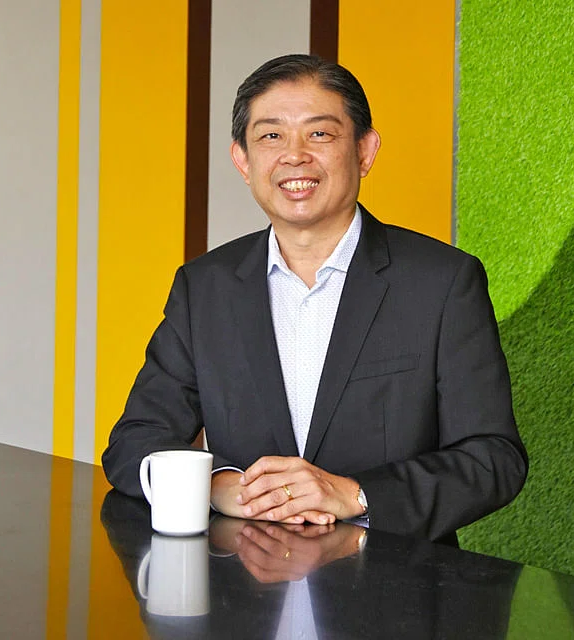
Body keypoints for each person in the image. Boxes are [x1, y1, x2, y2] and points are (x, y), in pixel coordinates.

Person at [102, 54, 527, 544]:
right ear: (243, 161)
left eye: (320, 134)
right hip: (242, 583)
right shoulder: (205, 287)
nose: (295, 156)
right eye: (271, 136)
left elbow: (493, 458)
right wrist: (220, 486)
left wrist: (356, 494)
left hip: (395, 581)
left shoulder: (442, 282)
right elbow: (134, 441)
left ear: (365, 151)